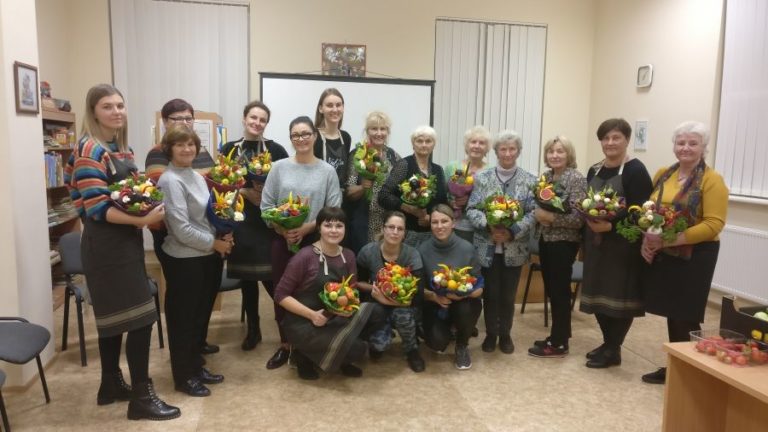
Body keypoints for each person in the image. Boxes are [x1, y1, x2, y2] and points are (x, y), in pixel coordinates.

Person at [64, 84, 179, 420]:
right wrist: (141, 219)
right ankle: (141, 397)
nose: (116, 111)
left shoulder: (119, 149)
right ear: (93, 112)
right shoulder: (90, 151)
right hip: (105, 246)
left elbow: (128, 193)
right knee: (142, 319)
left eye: (120, 105)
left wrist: (144, 205)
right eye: (107, 107)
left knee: (115, 318)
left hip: (122, 242)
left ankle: (110, 384)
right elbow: (98, 208)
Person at [640, 121, 728, 384]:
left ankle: (693, 372)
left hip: (696, 255)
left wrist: (668, 241)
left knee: (685, 314)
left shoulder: (712, 180)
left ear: (704, 147)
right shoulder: (663, 174)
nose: (686, 148)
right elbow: (649, 212)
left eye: (693, 143)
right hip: (666, 254)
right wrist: (648, 240)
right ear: (674, 146)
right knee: (672, 312)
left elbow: (714, 224)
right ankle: (678, 367)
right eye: (681, 143)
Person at [261, 116, 343, 369]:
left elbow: (334, 207)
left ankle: (309, 344)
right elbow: (266, 206)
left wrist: (308, 227)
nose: (301, 139)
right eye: (295, 135)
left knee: (313, 292)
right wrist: (282, 228)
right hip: (282, 242)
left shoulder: (327, 171)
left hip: (317, 244)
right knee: (283, 293)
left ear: (315, 137)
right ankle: (286, 344)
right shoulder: (278, 168)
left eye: (306, 134)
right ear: (291, 138)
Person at [157, 126, 231, 397]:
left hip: (206, 257)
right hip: (185, 260)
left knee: (198, 319)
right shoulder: (169, 180)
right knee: (183, 321)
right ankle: (183, 376)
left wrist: (225, 232)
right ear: (170, 149)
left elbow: (209, 215)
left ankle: (196, 367)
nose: (187, 149)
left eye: (191, 144)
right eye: (180, 145)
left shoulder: (196, 176)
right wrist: (215, 243)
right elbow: (180, 229)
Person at [144, 98, 219, 356]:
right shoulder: (160, 158)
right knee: (184, 307)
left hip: (204, 240)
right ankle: (187, 360)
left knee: (201, 301)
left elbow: (215, 186)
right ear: (165, 122)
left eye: (189, 118)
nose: (185, 123)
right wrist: (212, 240)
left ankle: (196, 348)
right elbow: (172, 214)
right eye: (178, 119)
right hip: (177, 240)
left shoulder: (196, 163)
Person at [275, 207, 381, 380]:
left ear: (345, 229)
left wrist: (348, 307)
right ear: (319, 228)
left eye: (339, 225)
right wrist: (312, 315)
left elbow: (351, 289)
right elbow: (280, 295)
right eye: (328, 225)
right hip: (304, 322)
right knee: (356, 348)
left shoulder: (348, 255)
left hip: (334, 316)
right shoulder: (305, 256)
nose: (334, 230)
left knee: (376, 313)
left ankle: (338, 354)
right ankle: (303, 355)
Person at [580, 118, 652, 369]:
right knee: (598, 295)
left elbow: (641, 211)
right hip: (596, 243)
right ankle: (608, 343)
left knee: (619, 298)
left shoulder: (635, 170)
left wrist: (611, 226)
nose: (610, 143)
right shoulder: (594, 170)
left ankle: (613, 348)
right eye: (606, 138)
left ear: (626, 140)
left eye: (616, 138)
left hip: (623, 245)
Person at [220, 101, 289, 351]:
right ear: (244, 118)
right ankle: (254, 330)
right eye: (253, 118)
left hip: (268, 223)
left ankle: (287, 328)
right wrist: (246, 191)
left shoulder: (277, 150)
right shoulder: (229, 148)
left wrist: (267, 194)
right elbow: (221, 183)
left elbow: (287, 182)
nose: (257, 123)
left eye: (262, 119)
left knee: (274, 278)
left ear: (266, 123)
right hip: (241, 221)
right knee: (248, 281)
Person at [465, 130, 536, 354]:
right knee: (490, 294)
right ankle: (491, 334)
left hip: (514, 248)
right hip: (486, 247)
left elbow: (533, 213)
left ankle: (505, 334)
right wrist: (489, 226)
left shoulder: (529, 180)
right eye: (503, 149)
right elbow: (472, 209)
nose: (507, 153)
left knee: (507, 295)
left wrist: (512, 231)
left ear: (518, 151)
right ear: (495, 152)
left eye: (512, 149)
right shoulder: (483, 178)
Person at [527, 136, 587, 358]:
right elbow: (537, 204)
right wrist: (539, 216)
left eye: (560, 151)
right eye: (551, 151)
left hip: (564, 242)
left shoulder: (576, 179)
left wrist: (549, 217)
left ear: (568, 154)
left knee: (560, 292)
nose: (555, 155)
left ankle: (559, 343)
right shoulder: (546, 177)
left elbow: (579, 219)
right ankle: (557, 336)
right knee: (553, 291)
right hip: (545, 239)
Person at [356, 211, 426, 372]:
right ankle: (382, 335)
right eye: (391, 227)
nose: (395, 232)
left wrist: (385, 298)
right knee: (378, 346)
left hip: (405, 305)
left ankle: (411, 349)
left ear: (404, 233)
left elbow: (418, 294)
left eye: (400, 229)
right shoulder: (368, 252)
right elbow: (357, 282)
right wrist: (377, 290)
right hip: (376, 303)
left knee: (402, 315)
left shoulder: (411, 254)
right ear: (383, 228)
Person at [418, 204, 484, 370]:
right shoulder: (422, 249)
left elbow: (479, 286)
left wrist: (463, 295)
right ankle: (450, 330)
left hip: (463, 302)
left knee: (467, 309)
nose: (439, 226)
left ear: (453, 223)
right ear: (430, 224)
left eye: (444, 221)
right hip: (435, 304)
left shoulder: (467, 248)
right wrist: (434, 296)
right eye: (435, 222)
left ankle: (462, 344)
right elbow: (418, 288)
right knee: (437, 343)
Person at [378, 126, 448, 247]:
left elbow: (443, 202)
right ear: (413, 144)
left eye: (428, 141)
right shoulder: (404, 165)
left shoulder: (438, 169)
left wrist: (431, 218)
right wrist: (409, 208)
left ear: (433, 145)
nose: (424, 145)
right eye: (419, 141)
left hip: (433, 234)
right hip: (407, 234)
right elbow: (383, 195)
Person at [345, 111, 402, 253]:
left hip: (388, 224)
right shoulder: (358, 154)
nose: (379, 133)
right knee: (364, 262)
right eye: (374, 129)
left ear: (388, 132)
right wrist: (363, 187)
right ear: (367, 131)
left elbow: (400, 189)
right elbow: (349, 192)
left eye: (383, 129)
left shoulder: (394, 156)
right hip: (363, 222)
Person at [445, 126, 491, 242]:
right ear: (466, 145)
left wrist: (470, 200)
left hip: (482, 226)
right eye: (473, 142)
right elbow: (442, 194)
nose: (477, 146)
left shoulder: (491, 170)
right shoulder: (453, 167)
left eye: (482, 143)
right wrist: (452, 202)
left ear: (487, 148)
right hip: (455, 224)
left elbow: (492, 199)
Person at [313, 88, 352, 191]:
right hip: (319, 197)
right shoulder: (314, 137)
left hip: (341, 199)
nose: (335, 109)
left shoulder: (346, 137)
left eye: (338, 105)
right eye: (329, 105)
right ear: (321, 109)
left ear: (343, 107)